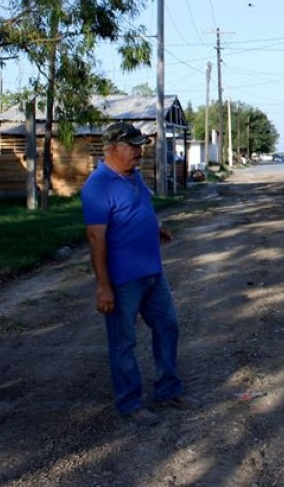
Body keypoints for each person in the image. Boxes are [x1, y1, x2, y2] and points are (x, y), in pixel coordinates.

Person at [81, 122, 192, 426]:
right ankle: (129, 403)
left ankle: (168, 390)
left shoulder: (135, 177)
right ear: (114, 148)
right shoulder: (98, 186)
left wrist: (157, 227)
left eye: (140, 146)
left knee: (168, 327)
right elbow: (95, 238)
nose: (139, 152)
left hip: (152, 273)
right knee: (123, 342)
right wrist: (103, 286)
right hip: (123, 279)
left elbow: (141, 208)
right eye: (133, 147)